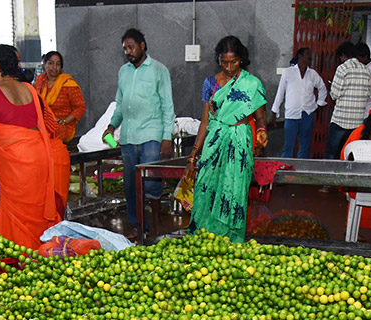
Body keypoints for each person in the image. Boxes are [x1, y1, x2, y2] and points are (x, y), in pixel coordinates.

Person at [186, 36, 266, 243]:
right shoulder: (210, 83)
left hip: (238, 144)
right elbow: (205, 121)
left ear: (242, 60)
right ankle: (204, 238)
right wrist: (194, 153)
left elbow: (260, 118)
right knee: (205, 188)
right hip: (214, 143)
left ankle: (230, 241)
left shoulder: (251, 84)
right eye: (224, 62)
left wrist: (262, 132)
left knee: (234, 191)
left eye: (234, 62)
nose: (229, 67)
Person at [0, 44, 61, 249]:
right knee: (36, 209)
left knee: (17, 210)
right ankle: (42, 252)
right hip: (39, 156)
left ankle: (21, 257)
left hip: (16, 163)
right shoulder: (30, 89)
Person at [104, 29, 174, 238]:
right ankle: (138, 227)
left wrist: (167, 137)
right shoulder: (123, 72)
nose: (128, 52)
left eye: (131, 47)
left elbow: (167, 106)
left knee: (151, 182)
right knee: (131, 184)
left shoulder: (158, 70)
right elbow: (119, 105)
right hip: (128, 137)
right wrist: (111, 125)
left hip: (151, 134)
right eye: (125, 48)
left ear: (142, 46)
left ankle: (154, 223)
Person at [34, 50, 85, 203]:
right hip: (42, 124)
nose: (54, 67)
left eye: (57, 64)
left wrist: (64, 121)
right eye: (50, 63)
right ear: (44, 64)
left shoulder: (68, 83)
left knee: (46, 134)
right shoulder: (39, 81)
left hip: (62, 126)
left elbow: (80, 108)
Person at [270, 47, 327, 159]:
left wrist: (319, 104)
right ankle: (286, 169)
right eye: (307, 54)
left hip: (307, 113)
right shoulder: (288, 72)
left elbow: (322, 88)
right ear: (300, 56)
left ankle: (301, 171)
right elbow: (280, 92)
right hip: (291, 114)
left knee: (304, 146)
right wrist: (274, 112)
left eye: (310, 54)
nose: (309, 57)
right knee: (288, 146)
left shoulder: (313, 74)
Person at [326, 42, 370, 160]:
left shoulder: (342, 68)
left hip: (340, 120)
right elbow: (368, 94)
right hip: (357, 122)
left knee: (332, 154)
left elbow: (334, 94)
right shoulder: (366, 70)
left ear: (343, 55)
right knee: (351, 156)